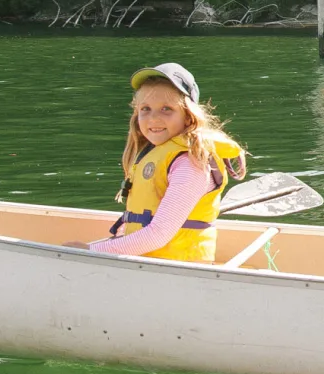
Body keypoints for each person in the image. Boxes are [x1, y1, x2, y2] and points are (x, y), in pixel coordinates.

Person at [87, 62, 248, 263]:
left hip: (178, 270)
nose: (153, 118)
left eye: (166, 109)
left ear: (188, 117)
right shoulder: (158, 152)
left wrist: (88, 250)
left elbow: (158, 234)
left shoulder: (190, 164)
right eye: (145, 109)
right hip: (146, 264)